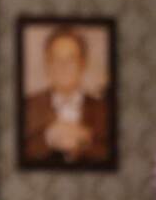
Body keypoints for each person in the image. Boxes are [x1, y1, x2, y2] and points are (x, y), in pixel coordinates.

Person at [23, 26, 110, 164]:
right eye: (56, 59)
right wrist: (48, 139)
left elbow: (115, 155)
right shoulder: (27, 106)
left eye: (71, 59)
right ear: (47, 65)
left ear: (82, 64)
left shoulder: (104, 109)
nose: (63, 66)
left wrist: (85, 141)